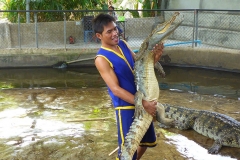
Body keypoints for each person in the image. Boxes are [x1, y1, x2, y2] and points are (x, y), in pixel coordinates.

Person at [93, 13, 164, 160]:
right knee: (127, 151)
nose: (115, 33)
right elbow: (116, 89)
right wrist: (143, 104)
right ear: (99, 36)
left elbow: (139, 65)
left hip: (142, 100)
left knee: (145, 143)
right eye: (109, 31)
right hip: (125, 108)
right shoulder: (101, 59)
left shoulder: (123, 44)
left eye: (115, 29)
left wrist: (155, 58)